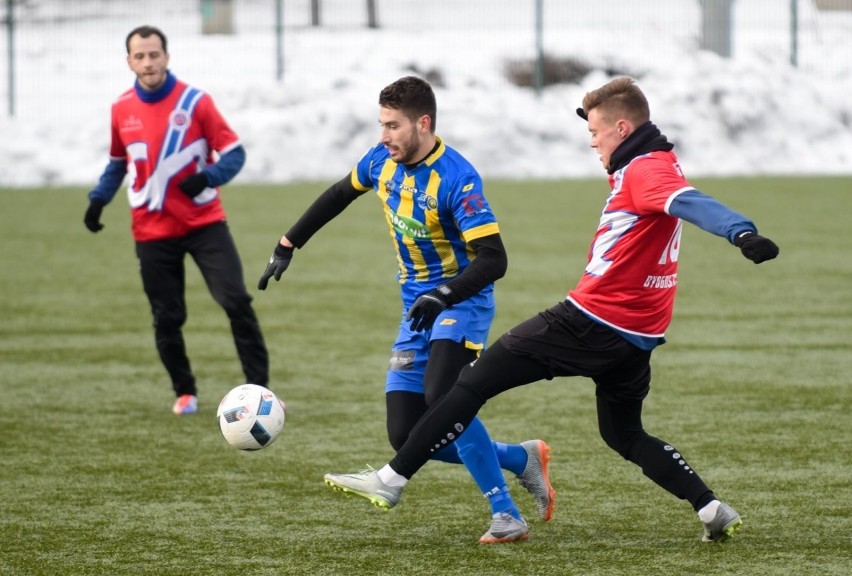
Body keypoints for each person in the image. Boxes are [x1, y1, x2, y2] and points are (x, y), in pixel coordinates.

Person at [323, 76, 780, 543]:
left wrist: (740, 232)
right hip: (635, 338)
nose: (593, 143)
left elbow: (689, 202)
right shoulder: (658, 161)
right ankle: (710, 507)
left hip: (588, 321)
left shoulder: (645, 170)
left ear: (622, 128)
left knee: (470, 384)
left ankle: (392, 479)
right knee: (623, 435)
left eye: (596, 133)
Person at [258, 76, 555, 543]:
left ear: (423, 123)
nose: (384, 136)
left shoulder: (458, 178)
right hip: (415, 308)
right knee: (406, 434)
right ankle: (519, 458)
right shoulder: (382, 161)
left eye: (393, 126)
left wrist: (446, 294)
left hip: (462, 302)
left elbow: (495, 259)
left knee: (443, 395)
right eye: (381, 125)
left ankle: (505, 513)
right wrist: (288, 242)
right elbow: (339, 194)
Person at [84, 25, 270, 416]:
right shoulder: (121, 108)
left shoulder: (196, 102)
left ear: (166, 56)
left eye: (154, 54)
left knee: (235, 300)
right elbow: (118, 162)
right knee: (166, 316)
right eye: (140, 56)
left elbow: (234, 154)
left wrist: (208, 177)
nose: (148, 62)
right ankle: (184, 391)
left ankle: (260, 392)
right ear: (129, 61)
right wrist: (99, 199)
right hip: (151, 231)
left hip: (205, 225)